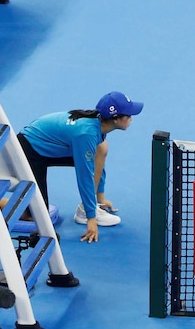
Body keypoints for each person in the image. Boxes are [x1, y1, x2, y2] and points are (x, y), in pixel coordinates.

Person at [17, 91, 144, 244]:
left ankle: (91, 206)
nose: (131, 118)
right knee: (33, 215)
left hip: (50, 145)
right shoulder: (87, 133)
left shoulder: (99, 124)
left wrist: (100, 200)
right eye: (128, 115)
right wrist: (92, 219)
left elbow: (99, 159)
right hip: (30, 151)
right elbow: (85, 176)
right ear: (115, 119)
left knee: (101, 149)